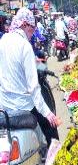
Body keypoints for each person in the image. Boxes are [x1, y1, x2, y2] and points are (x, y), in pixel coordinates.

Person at [0, 8, 59, 146]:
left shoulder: (3, 40)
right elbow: (33, 87)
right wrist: (48, 114)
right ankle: (56, 159)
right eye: (32, 29)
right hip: (23, 105)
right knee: (50, 126)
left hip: (5, 105)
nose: (32, 34)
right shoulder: (24, 45)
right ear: (25, 24)